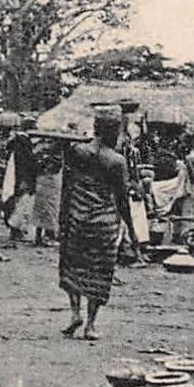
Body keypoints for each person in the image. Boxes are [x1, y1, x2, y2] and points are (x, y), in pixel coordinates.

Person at [56, 113, 135, 340]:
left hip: (77, 216)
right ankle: (90, 324)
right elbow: (122, 199)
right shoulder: (117, 161)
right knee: (99, 272)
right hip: (104, 221)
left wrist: (64, 217)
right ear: (112, 132)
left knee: (73, 266)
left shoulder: (77, 152)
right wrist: (132, 230)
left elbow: (67, 183)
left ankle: (74, 314)